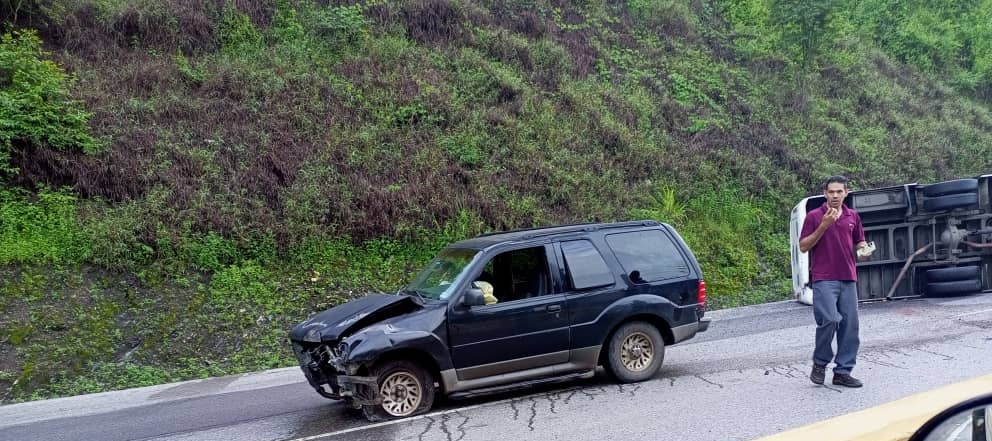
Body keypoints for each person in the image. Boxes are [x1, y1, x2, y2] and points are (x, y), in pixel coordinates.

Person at [799, 175, 872, 388]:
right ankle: (820, 363)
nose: (835, 195)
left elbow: (859, 241)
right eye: (831, 192)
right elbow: (803, 246)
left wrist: (863, 250)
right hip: (823, 278)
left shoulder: (853, 216)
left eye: (839, 191)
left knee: (850, 327)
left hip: (848, 277)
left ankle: (842, 372)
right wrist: (824, 225)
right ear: (825, 193)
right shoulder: (814, 216)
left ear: (846, 193)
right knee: (830, 319)